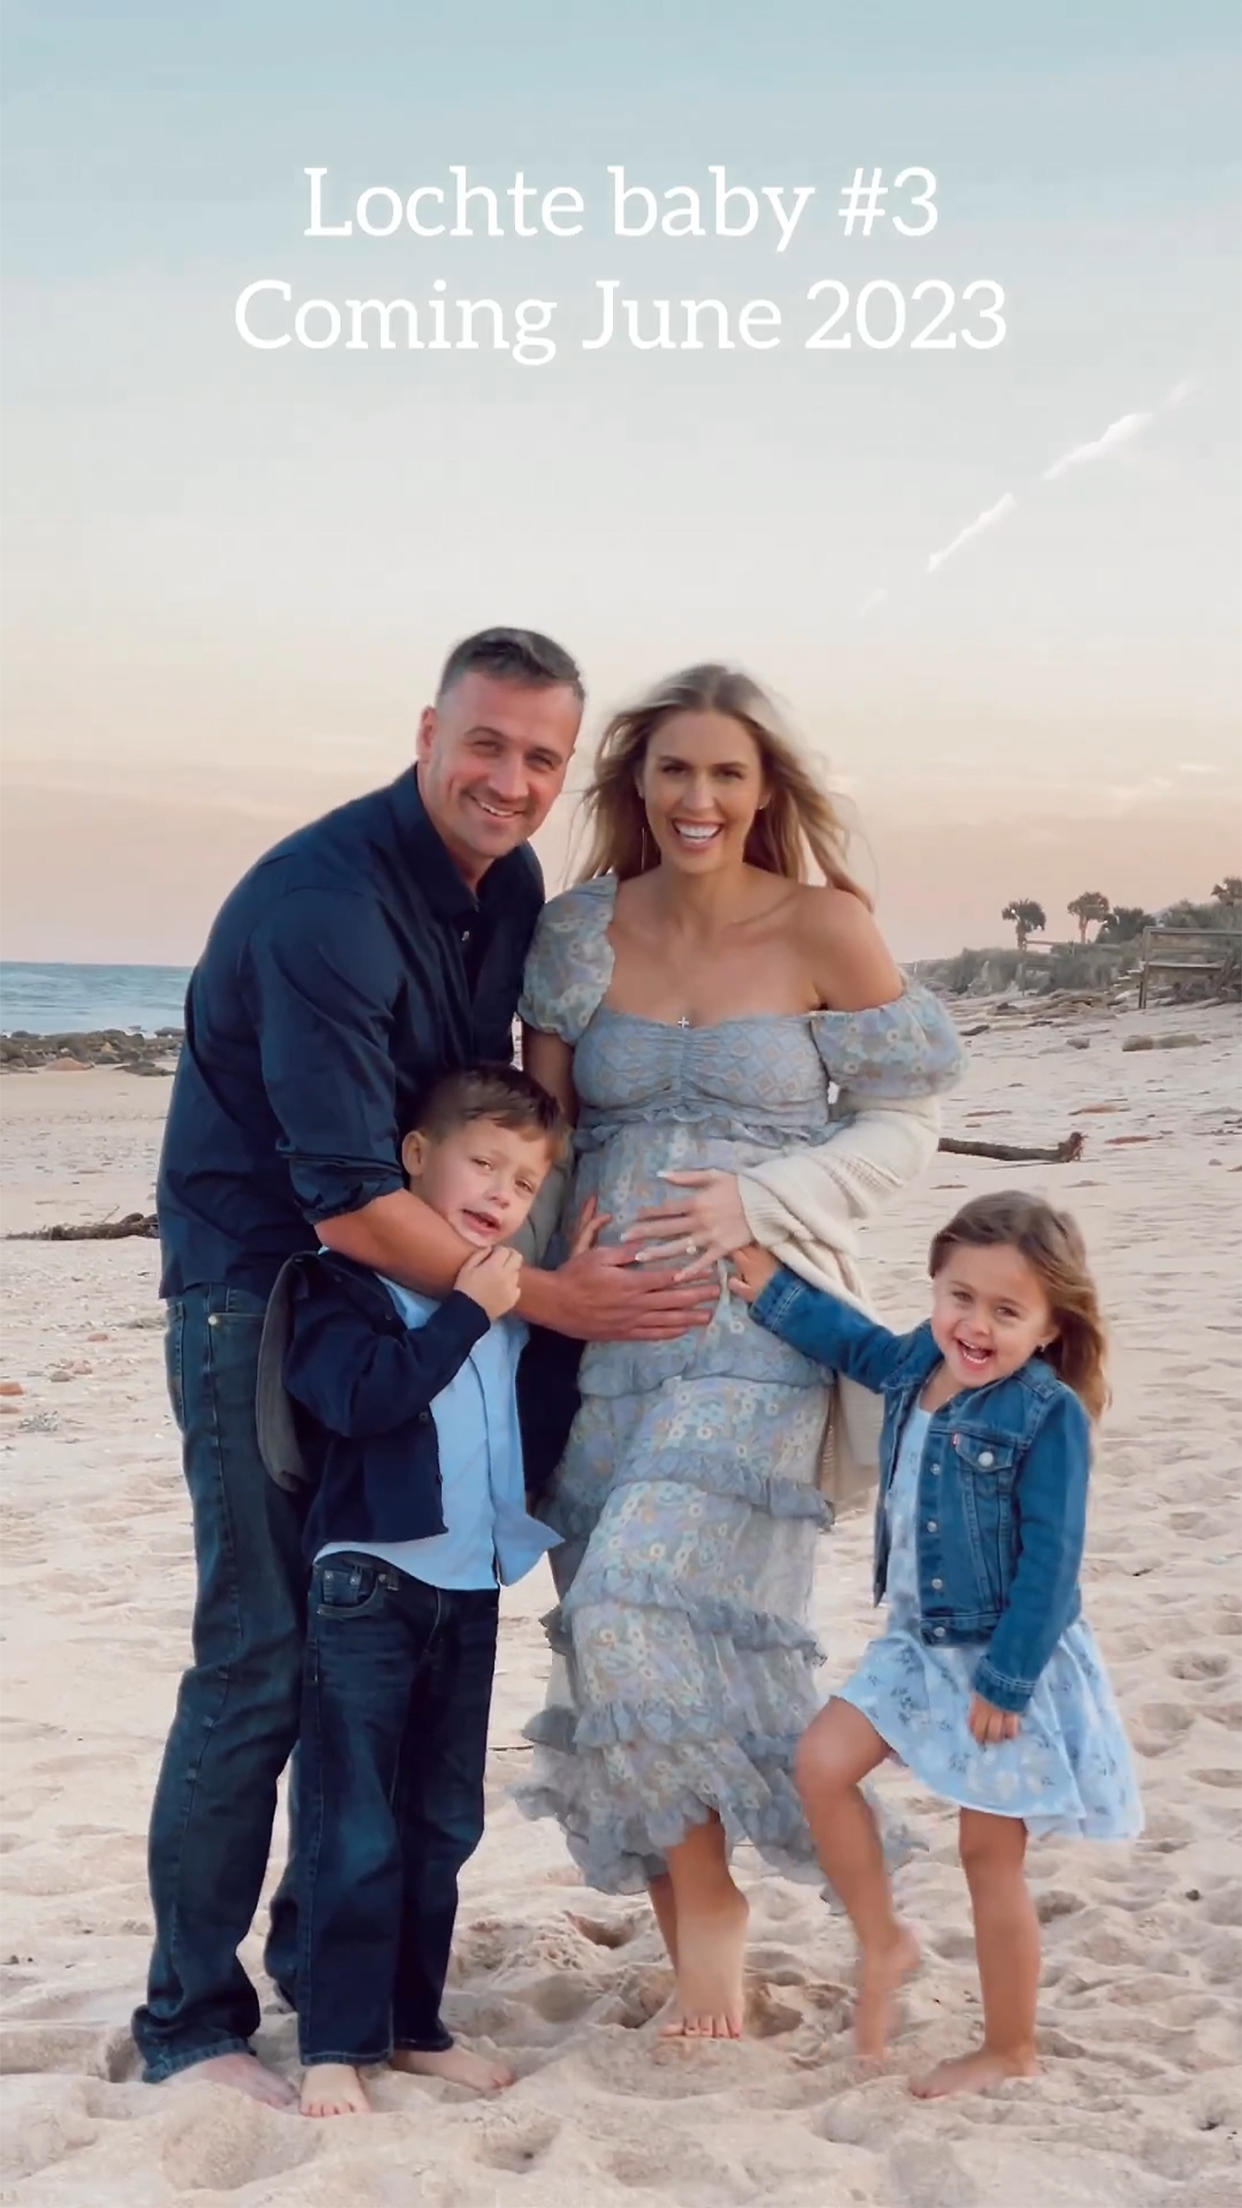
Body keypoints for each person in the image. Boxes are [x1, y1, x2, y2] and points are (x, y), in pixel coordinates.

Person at [134, 628, 718, 2103]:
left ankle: (333, 1984)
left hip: (410, 1304)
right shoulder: (324, 902)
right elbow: (341, 1193)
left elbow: (489, 1112)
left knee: (360, 1655)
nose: (510, 781)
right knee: (260, 1660)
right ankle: (189, 2024)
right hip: (263, 1302)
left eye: (539, 756)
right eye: (486, 744)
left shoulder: (507, 885)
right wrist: (547, 1299)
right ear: (426, 732)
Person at [517, 663, 963, 2041]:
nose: (696, 798)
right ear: (633, 786)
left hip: (760, 1323)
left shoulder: (825, 925)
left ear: (763, 790)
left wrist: (757, 1200)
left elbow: (905, 1122)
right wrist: (526, 1295)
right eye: (671, 772)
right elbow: (542, 1136)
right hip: (604, 1335)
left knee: (639, 1601)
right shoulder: (578, 930)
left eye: (724, 774)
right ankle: (700, 1927)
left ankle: (727, 1907)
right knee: (621, 1633)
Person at [732, 1190, 1142, 2097]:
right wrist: (771, 1291)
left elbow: (1054, 1563)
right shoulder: (922, 1359)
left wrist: (1007, 1678)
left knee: (989, 1858)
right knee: (822, 1763)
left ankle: (1010, 2045)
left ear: (1048, 1325)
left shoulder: (1047, 1415)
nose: (976, 1326)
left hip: (1002, 1656)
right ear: (935, 1287)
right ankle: (885, 1937)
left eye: (1007, 1311)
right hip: (916, 1644)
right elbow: (860, 1347)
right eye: (960, 1297)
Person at [272, 1066, 582, 2118]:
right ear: (415, 1158)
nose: (501, 1192)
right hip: (370, 1580)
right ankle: (332, 2042)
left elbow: (538, 1417)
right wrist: (463, 1310)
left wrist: (566, 1303)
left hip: (472, 1585)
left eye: (524, 1183)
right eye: (482, 1162)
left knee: (442, 1822)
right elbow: (362, 1400)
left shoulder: (506, 1303)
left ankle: (411, 2027)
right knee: (351, 1819)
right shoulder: (339, 1286)